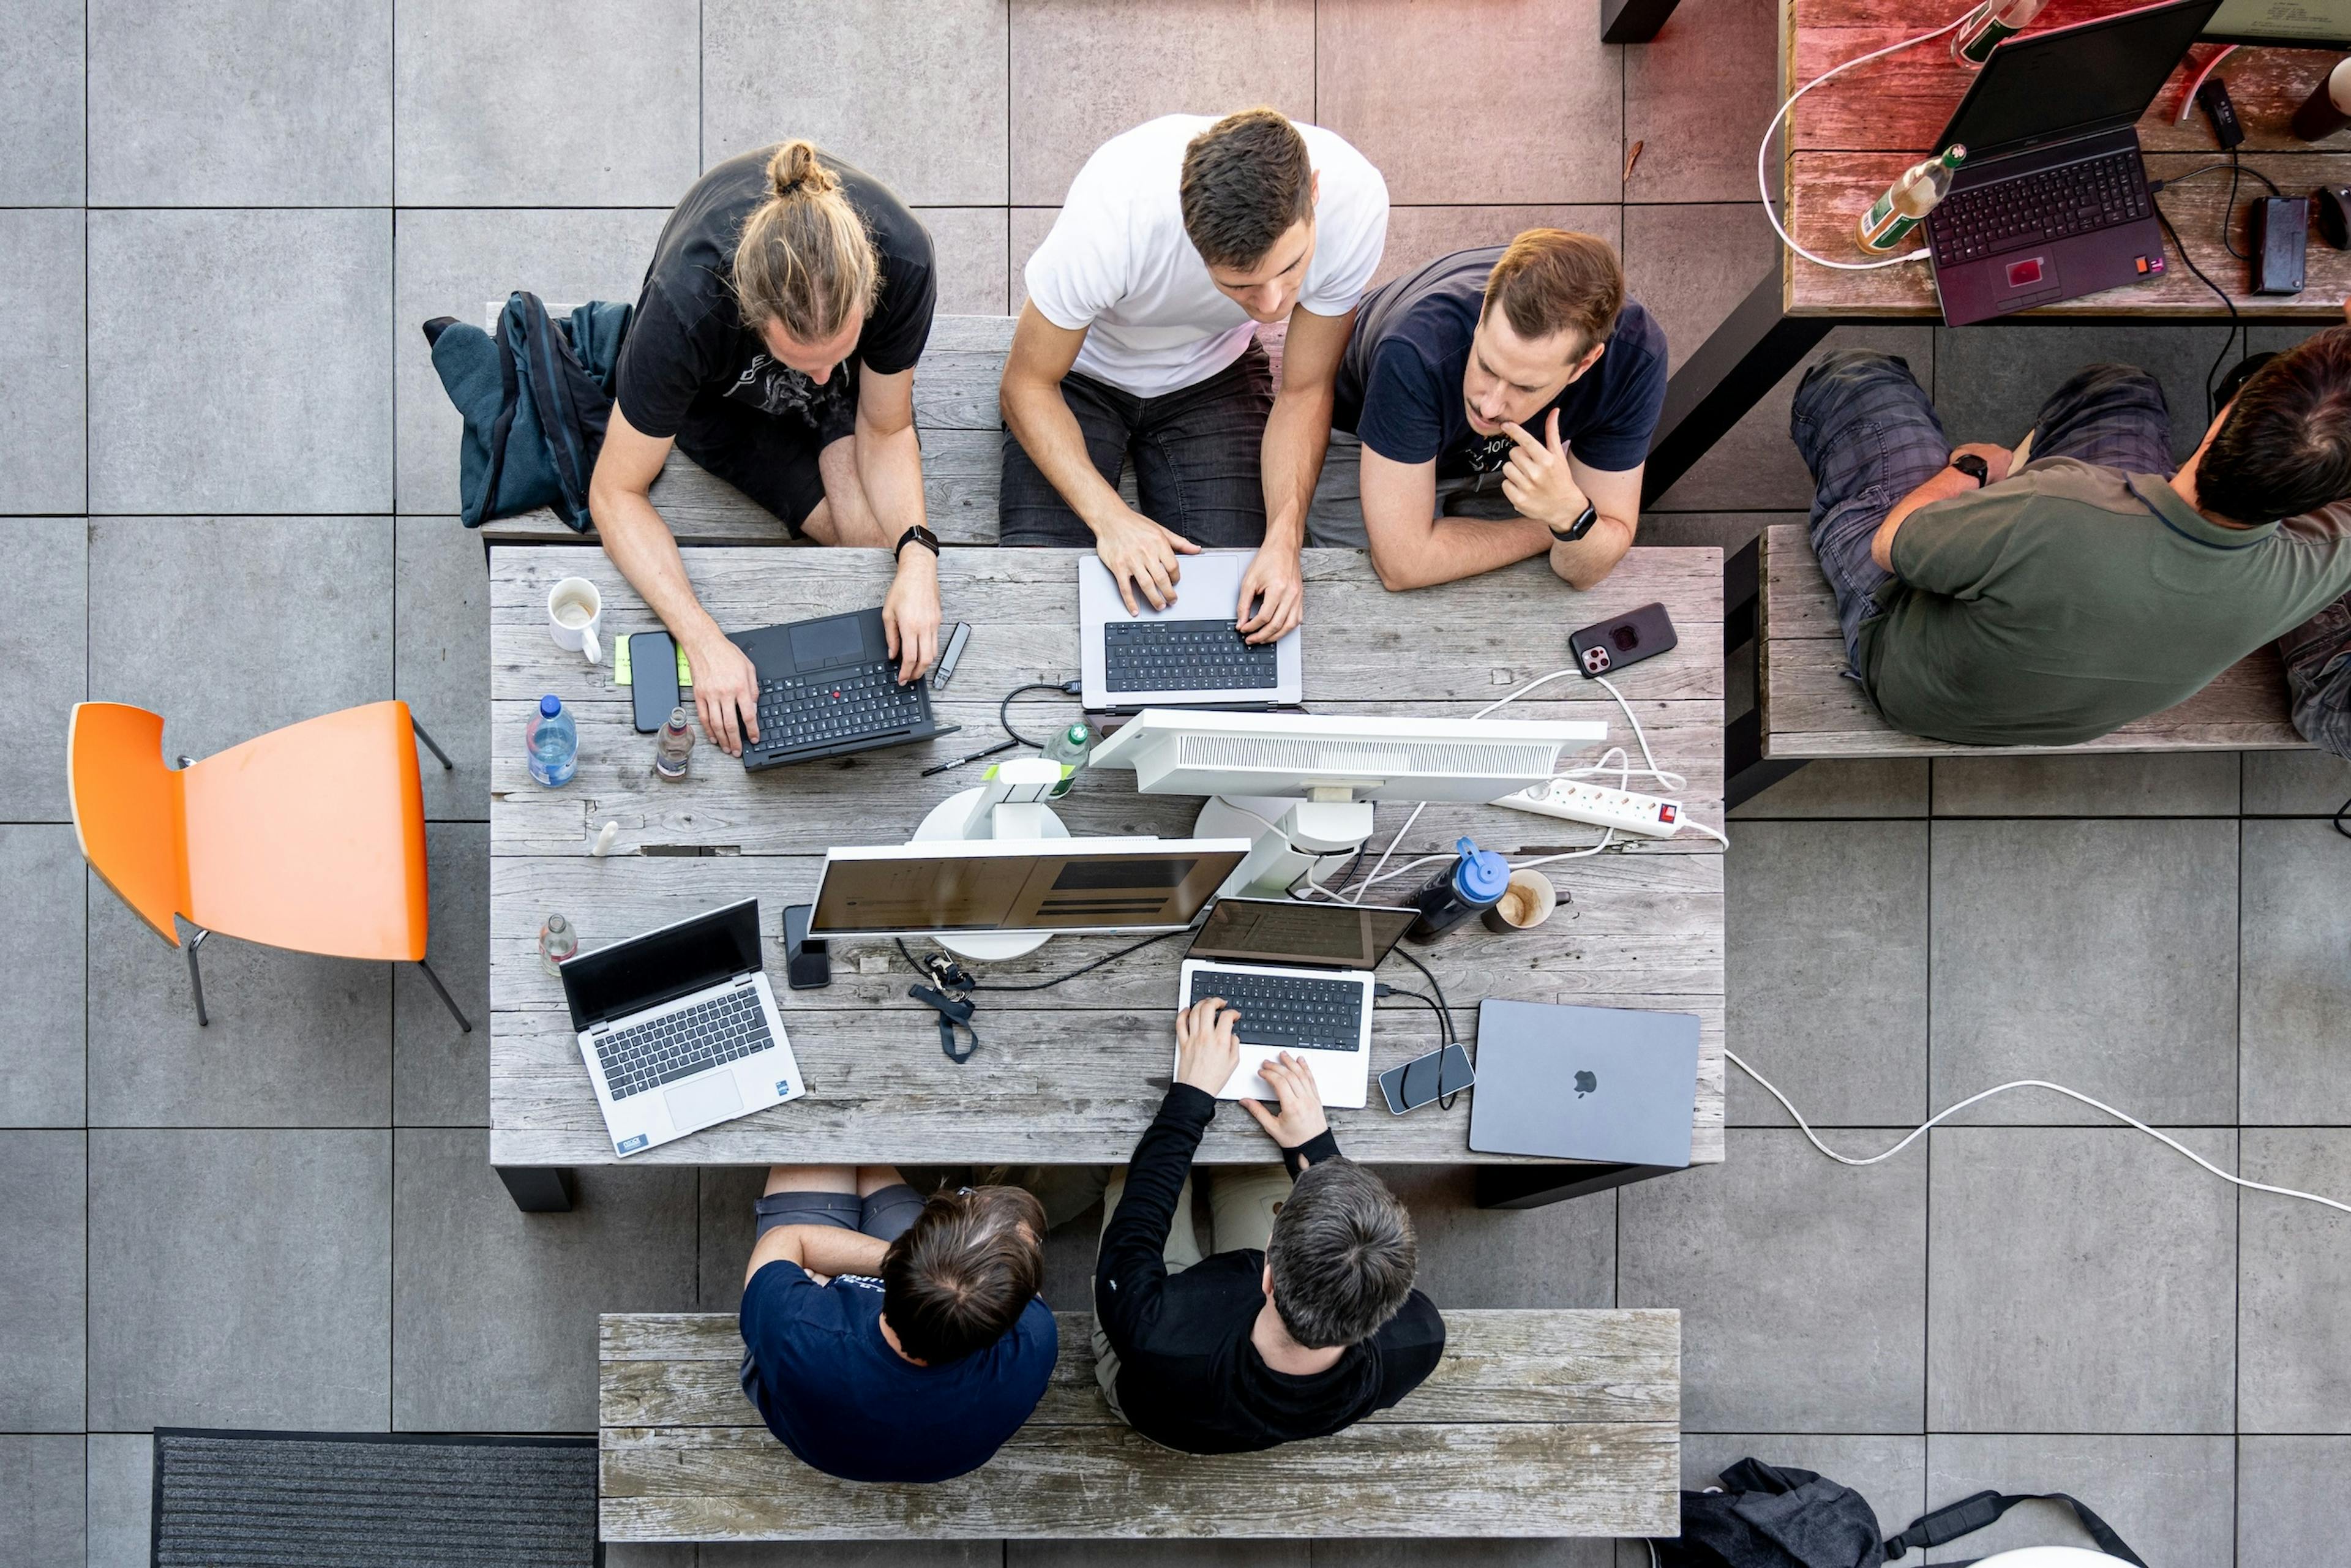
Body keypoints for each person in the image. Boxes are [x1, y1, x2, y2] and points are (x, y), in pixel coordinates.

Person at [1788, 329, 2351, 747]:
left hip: (1912, 673)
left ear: (2230, 408)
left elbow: (1894, 544)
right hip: (2075, 713)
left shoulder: (2056, 505)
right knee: (2117, 388)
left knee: (1856, 378)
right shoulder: (2321, 558)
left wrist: (1972, 470)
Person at [594, 140, 946, 757]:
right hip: (723, 403)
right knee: (860, 539)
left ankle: (836, 381)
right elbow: (615, 492)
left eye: (838, 353)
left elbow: (886, 428)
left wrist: (920, 556)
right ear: (753, 316)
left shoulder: (907, 259)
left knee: (879, 546)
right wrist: (703, 641)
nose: (816, 378)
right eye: (799, 361)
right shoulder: (687, 307)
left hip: (852, 398)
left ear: (869, 295)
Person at [1000, 108, 1390, 643]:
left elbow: (1304, 390)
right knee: (1036, 613)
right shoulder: (1117, 210)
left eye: (1290, 268)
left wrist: (1284, 539)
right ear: (1188, 231)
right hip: (1080, 377)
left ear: (1315, 192)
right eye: (1241, 287)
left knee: (1237, 613)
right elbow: (1026, 384)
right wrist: (1111, 520)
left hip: (1213, 377)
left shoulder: (1357, 200)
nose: (1274, 304)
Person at [1090, 997, 1445, 1454]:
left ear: (1268, 1271)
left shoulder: (1154, 1334)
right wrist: (1316, 1145)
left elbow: (1134, 1235)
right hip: (1223, 1385)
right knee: (1255, 1160)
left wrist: (1191, 1096)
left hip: (1152, 1384)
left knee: (1130, 1175)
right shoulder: (1418, 1337)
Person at [1309, 230, 1668, 592]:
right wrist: (1559, 525)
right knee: (1359, 594)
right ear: (1483, 315)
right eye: (1487, 366)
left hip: (1508, 457)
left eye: (1526, 386)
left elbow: (1587, 569)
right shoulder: (1415, 348)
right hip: (1367, 437)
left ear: (1584, 364)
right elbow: (1402, 565)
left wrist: (1571, 516)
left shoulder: (1635, 360)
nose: (1490, 405)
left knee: (1533, 598)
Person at [737, 1165, 1056, 1483]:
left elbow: (787, 1240)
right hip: (927, 1447)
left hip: (809, 1372)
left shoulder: (801, 1329)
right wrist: (917, 1262)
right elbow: (1021, 1279)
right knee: (865, 1162)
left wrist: (905, 1261)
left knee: (826, 1149)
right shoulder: (1031, 1343)